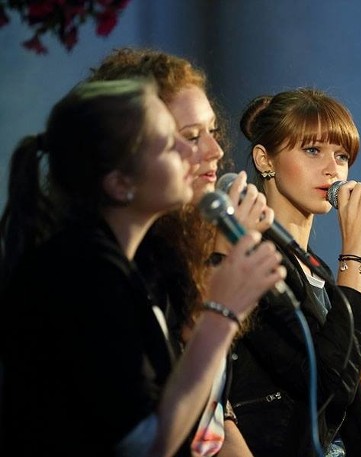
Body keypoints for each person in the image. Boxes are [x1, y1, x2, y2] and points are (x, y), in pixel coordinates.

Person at [0, 78, 285, 456]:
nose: (194, 153)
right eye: (170, 143)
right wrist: (221, 314)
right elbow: (147, 444)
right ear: (120, 183)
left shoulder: (122, 265)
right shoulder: (83, 273)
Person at [87, 47, 271, 456]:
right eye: (187, 138)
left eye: (210, 132)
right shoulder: (91, 273)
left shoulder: (171, 244)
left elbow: (213, 415)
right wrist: (222, 305)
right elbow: (152, 438)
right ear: (119, 173)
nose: (213, 152)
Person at [226, 87, 361, 457]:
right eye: (312, 150)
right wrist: (355, 255)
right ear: (264, 160)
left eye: (342, 156)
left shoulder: (315, 267)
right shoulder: (253, 255)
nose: (333, 170)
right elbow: (327, 384)